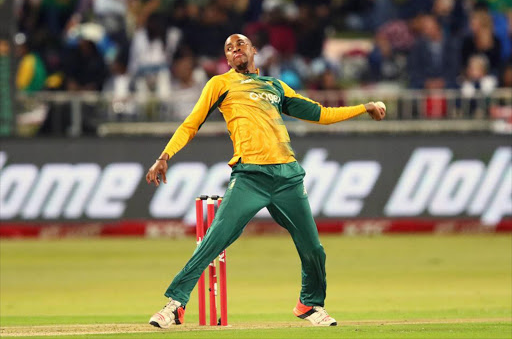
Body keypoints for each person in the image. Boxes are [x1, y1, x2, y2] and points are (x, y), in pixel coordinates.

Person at [145, 34, 386, 328]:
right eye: (229, 49)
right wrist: (165, 155)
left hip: (288, 177)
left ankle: (310, 305)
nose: (235, 50)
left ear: (253, 51)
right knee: (214, 240)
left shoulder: (275, 86)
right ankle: (176, 304)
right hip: (250, 177)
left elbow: (321, 114)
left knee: (313, 249)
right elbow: (191, 123)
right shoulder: (219, 84)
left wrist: (364, 108)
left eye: (240, 45)